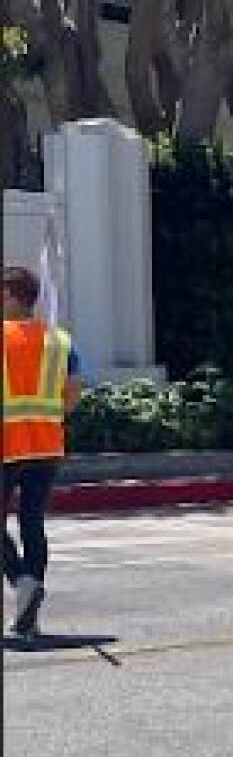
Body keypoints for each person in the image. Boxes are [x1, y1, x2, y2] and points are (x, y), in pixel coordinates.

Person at [2, 263, 83, 638]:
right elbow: (72, 399)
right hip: (47, 446)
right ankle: (28, 614)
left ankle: (22, 584)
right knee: (32, 523)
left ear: (13, 297)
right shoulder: (60, 341)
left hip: (6, 447)